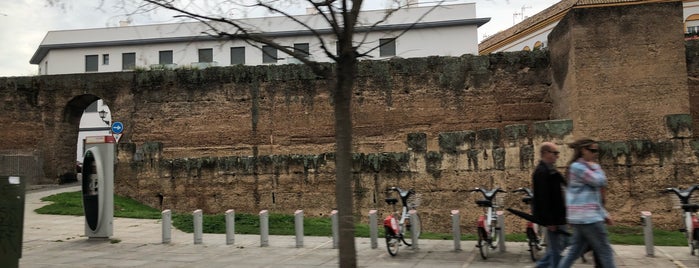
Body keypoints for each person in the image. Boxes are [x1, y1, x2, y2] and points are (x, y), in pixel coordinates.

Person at [558, 139, 616, 268]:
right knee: (605, 250)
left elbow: (594, 196)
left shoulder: (582, 167)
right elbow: (599, 181)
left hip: (583, 217)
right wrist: (597, 167)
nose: (595, 154)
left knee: (574, 251)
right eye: (593, 150)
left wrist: (604, 214)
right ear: (583, 150)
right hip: (588, 218)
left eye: (597, 151)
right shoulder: (578, 167)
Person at [532, 142, 567, 268]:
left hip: (559, 216)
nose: (557, 156)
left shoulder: (551, 169)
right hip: (553, 218)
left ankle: (540, 266)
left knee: (561, 245)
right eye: (555, 153)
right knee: (556, 250)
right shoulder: (541, 172)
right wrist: (550, 221)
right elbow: (543, 199)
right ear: (546, 153)